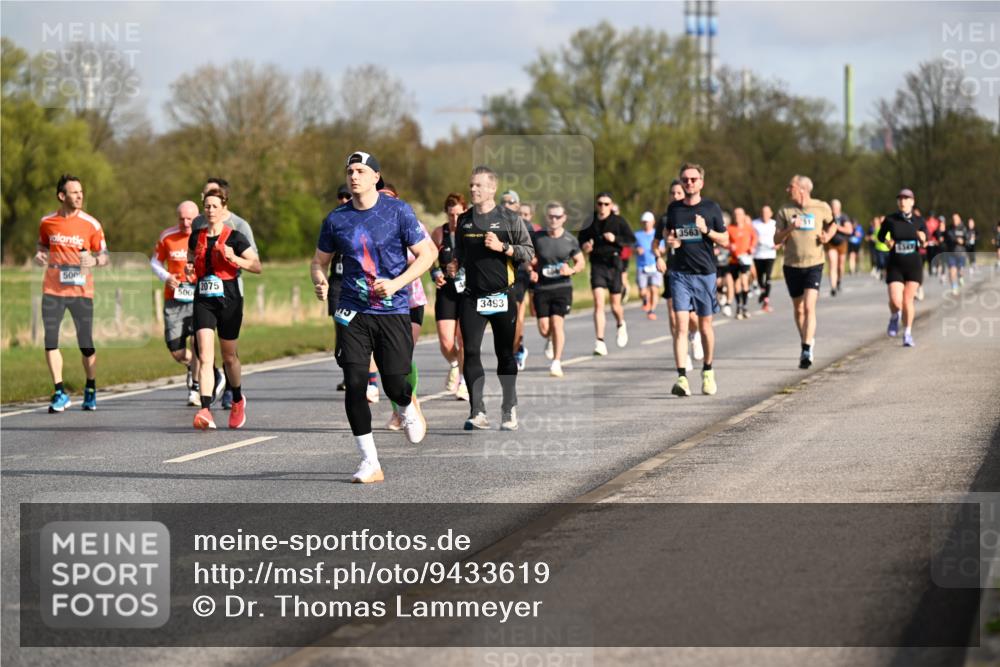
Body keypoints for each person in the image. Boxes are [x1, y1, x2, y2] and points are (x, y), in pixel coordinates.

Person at [311, 151, 437, 483]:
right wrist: (319, 280)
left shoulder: (398, 211)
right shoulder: (336, 219)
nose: (353, 176)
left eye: (360, 171)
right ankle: (370, 461)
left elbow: (428, 254)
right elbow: (318, 262)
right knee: (355, 384)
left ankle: (406, 406)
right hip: (353, 311)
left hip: (393, 309)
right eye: (350, 170)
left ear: (375, 177)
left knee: (396, 382)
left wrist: (396, 283)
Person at [447, 166, 534, 431]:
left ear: (492, 188)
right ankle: (477, 411)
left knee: (504, 354)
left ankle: (509, 408)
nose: (473, 189)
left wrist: (503, 247)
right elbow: (459, 254)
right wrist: (454, 264)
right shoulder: (464, 220)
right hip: (472, 297)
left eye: (478, 186)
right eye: (471, 185)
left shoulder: (509, 218)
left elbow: (528, 252)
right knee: (469, 351)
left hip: (502, 297)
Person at [34, 174, 109, 413]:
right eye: (74, 192)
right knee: (51, 340)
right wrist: (40, 255)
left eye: (81, 192)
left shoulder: (92, 224)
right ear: (61, 196)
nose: (79, 196)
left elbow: (105, 256)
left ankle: (90, 388)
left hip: (81, 290)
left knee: (85, 343)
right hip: (53, 288)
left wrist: (95, 262)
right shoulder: (47, 222)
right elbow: (42, 245)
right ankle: (59, 391)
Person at [189, 185, 261, 430]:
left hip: (230, 298)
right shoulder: (195, 236)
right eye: (207, 206)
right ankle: (205, 409)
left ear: (223, 209)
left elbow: (256, 265)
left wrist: (234, 258)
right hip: (203, 300)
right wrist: (190, 269)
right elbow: (191, 258)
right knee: (206, 356)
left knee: (229, 356)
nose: (210, 211)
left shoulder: (235, 237)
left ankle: (238, 399)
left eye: (215, 207)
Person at [662, 163, 728, 397]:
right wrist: (669, 242)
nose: (688, 183)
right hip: (679, 274)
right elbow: (668, 234)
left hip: (705, 274)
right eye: (685, 179)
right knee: (680, 326)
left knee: (704, 325)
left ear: (701, 182)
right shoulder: (674, 209)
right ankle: (681, 378)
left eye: (693, 179)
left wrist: (706, 230)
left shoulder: (711, 208)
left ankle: (708, 371)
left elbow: (725, 240)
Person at [774, 174, 835, 369]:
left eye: (790, 186)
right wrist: (791, 227)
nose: (787, 190)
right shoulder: (785, 211)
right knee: (799, 309)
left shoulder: (821, 207)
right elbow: (776, 239)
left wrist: (827, 236)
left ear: (802, 189)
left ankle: (807, 349)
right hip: (792, 265)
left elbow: (833, 224)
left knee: (809, 307)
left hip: (814, 263)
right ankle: (805, 341)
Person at [151, 200, 201, 406]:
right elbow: (154, 262)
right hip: (174, 298)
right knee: (176, 350)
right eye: (182, 219)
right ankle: (198, 367)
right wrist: (166, 277)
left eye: (190, 219)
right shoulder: (167, 236)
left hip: (199, 297)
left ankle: (196, 386)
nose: (186, 223)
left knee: (197, 341)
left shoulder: (204, 235)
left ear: (197, 217)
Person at [530, 201, 585, 377]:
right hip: (542, 288)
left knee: (557, 323)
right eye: (551, 216)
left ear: (564, 218)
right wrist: (531, 270)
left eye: (557, 217)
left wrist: (572, 270)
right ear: (547, 217)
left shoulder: (570, 239)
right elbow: (528, 257)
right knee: (544, 329)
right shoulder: (538, 237)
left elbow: (581, 262)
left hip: (562, 287)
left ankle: (556, 362)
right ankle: (550, 339)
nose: (554, 220)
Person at [578, 192, 634, 356]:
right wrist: (585, 246)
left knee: (615, 306)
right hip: (597, 264)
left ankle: (620, 323)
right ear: (596, 205)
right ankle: (600, 341)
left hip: (614, 263)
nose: (603, 207)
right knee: (598, 303)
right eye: (600, 204)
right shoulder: (590, 221)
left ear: (611, 205)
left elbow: (630, 240)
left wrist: (615, 239)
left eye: (606, 204)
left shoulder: (618, 221)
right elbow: (581, 240)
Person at [655, 179, 702, 370]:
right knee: (674, 316)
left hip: (692, 269)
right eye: (672, 193)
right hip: (672, 270)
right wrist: (658, 256)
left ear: (685, 195)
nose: (675, 196)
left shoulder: (695, 215)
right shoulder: (666, 219)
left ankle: (694, 335)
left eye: (679, 193)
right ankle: (683, 356)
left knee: (692, 318)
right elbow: (656, 243)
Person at [430, 192, 469, 400]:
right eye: (451, 215)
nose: (454, 219)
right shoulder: (439, 232)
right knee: (446, 342)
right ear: (446, 214)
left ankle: (463, 382)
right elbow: (429, 258)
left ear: (465, 212)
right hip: (446, 291)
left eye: (458, 214)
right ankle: (455, 364)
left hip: (467, 292)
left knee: (463, 340)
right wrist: (435, 273)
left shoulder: (470, 233)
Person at [878, 189, 926, 347]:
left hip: (913, 265)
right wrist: (887, 242)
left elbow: (925, 240)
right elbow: (881, 236)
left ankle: (907, 333)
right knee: (896, 301)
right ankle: (894, 316)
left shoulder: (919, 220)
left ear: (912, 201)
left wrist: (923, 238)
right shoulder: (890, 219)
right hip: (895, 265)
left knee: (907, 301)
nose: (902, 202)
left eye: (906, 199)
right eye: (900, 199)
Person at [327, 184, 352, 392]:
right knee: (340, 325)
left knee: (355, 328)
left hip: (355, 282)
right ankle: (346, 372)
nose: (343, 200)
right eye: (340, 196)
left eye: (347, 196)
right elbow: (322, 254)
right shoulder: (332, 220)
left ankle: (359, 373)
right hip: (336, 282)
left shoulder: (361, 218)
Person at [726, 207, 757, 320]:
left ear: (744, 216)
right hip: (734, 260)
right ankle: (739, 306)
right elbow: (725, 241)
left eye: (740, 214)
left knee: (744, 281)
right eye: (736, 214)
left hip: (745, 259)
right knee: (736, 284)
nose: (738, 216)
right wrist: (730, 246)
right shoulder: (730, 228)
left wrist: (752, 247)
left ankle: (745, 306)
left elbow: (754, 238)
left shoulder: (749, 228)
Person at [634, 212, 663, 320]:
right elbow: (630, 249)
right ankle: (645, 300)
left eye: (648, 222)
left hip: (655, 265)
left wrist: (659, 251)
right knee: (642, 291)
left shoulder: (657, 234)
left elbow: (664, 248)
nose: (646, 224)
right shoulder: (637, 235)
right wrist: (636, 250)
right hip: (642, 266)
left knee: (654, 289)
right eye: (644, 222)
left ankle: (652, 310)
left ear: (653, 222)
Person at [752, 205, 777, 313]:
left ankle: (766, 300)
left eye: (767, 213)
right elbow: (750, 236)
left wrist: (779, 245)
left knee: (768, 276)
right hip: (758, 254)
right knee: (759, 277)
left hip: (770, 254)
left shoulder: (774, 223)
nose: (764, 215)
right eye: (763, 212)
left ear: (771, 213)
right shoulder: (754, 223)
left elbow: (780, 236)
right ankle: (763, 292)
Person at [825, 199, 853, 296]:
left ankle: (839, 281)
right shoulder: (828, 217)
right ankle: (833, 287)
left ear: (839, 208)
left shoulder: (844, 217)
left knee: (840, 266)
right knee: (833, 264)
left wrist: (837, 227)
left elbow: (849, 230)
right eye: (833, 207)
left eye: (836, 208)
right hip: (831, 243)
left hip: (842, 243)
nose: (834, 209)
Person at [943, 213, 968, 295]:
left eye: (956, 219)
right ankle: (954, 286)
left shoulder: (963, 228)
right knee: (952, 271)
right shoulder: (949, 229)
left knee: (960, 271)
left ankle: (960, 276)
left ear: (959, 219)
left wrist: (963, 241)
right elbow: (946, 239)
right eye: (953, 219)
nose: (955, 221)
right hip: (951, 253)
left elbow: (968, 240)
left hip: (961, 253)